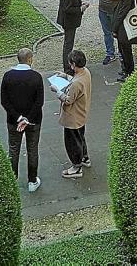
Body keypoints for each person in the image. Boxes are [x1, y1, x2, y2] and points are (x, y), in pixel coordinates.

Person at [0, 48, 44, 192]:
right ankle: (32, 181)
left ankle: (13, 180)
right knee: (32, 149)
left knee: (13, 149)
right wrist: (27, 119)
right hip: (33, 121)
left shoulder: (7, 77)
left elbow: (4, 101)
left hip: (13, 121)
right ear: (30, 59)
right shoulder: (36, 77)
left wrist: (18, 117)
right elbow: (39, 102)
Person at [50, 50, 92, 179]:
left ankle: (76, 166)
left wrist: (57, 91)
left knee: (72, 143)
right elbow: (76, 80)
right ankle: (85, 158)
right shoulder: (86, 73)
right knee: (80, 138)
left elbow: (68, 100)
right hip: (81, 114)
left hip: (72, 118)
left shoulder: (76, 84)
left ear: (73, 64)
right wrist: (65, 76)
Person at [86, 0, 123, 66]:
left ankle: (122, 53)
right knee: (107, 33)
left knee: (119, 33)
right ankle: (110, 54)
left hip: (115, 10)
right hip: (103, 9)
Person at [57, 0, 89, 75]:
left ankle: (70, 66)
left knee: (69, 43)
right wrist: (81, 8)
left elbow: (72, 2)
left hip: (69, 20)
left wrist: (80, 3)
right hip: (69, 21)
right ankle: (68, 69)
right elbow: (67, 8)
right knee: (68, 45)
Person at [111, 0, 137, 82]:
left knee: (125, 49)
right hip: (129, 23)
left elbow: (122, 12)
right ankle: (126, 69)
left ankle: (129, 72)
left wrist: (114, 28)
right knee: (125, 49)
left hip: (125, 25)